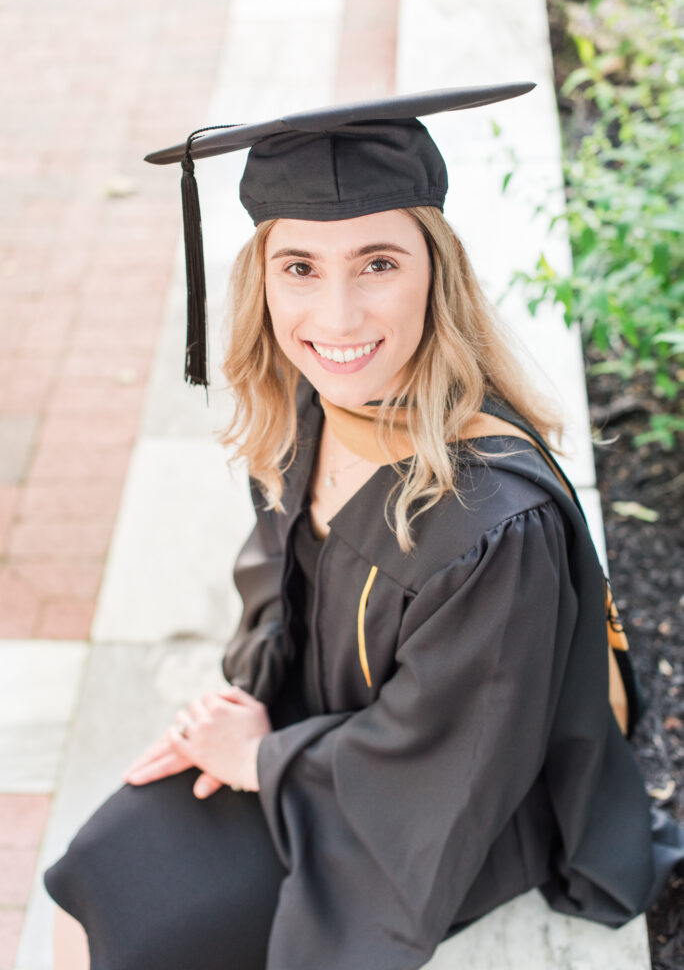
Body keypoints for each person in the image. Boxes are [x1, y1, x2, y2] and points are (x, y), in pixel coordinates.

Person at [43, 85, 684, 970]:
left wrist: (264, 761)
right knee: (85, 879)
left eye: (378, 263)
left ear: (436, 274)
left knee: (136, 931)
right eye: (299, 266)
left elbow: (452, 768)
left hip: (434, 808)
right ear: (260, 280)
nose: (337, 318)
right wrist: (243, 701)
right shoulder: (321, 401)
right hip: (313, 734)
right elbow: (286, 593)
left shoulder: (494, 525)